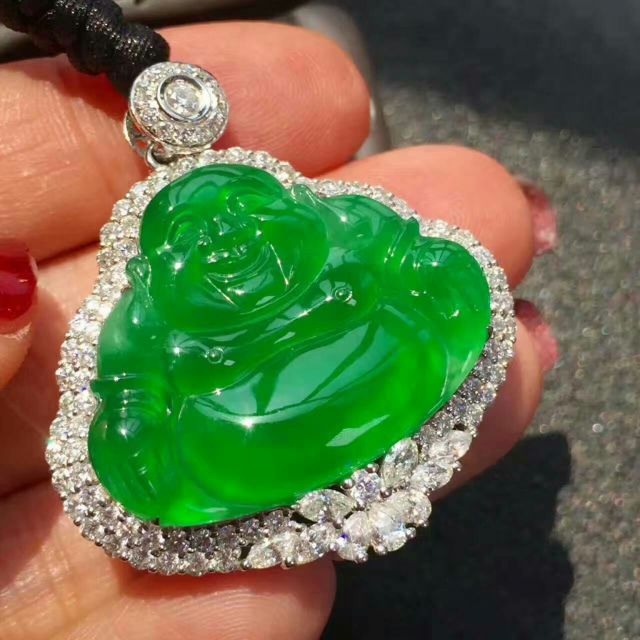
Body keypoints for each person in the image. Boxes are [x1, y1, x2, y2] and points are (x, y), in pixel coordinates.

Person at [0, 20, 556, 640]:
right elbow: (130, 402)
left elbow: (413, 254)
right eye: (191, 238)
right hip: (242, 445)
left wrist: (435, 280)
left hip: (390, 363)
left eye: (248, 212)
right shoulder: (142, 322)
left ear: (302, 208)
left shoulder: (345, 226)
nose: (229, 239)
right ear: (149, 274)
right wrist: (135, 437)